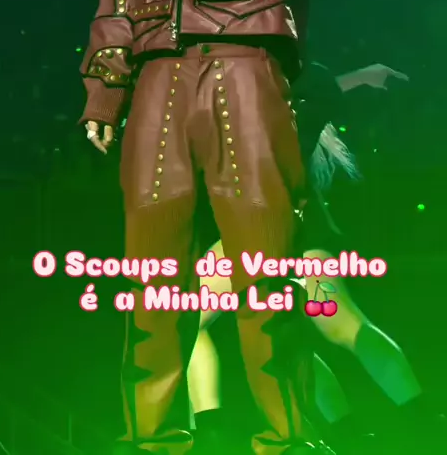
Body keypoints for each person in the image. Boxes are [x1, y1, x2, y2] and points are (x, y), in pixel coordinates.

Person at [79, 0, 342, 455]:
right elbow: (120, 2)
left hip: (247, 74)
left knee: (265, 275)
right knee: (154, 282)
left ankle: (288, 438)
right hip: (159, 84)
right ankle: (155, 440)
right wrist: (104, 94)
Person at [187, 62, 444, 454]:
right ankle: (395, 421)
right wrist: (360, 77)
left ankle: (213, 431)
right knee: (329, 331)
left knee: (188, 320)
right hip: (295, 233)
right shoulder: (266, 92)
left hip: (270, 231)